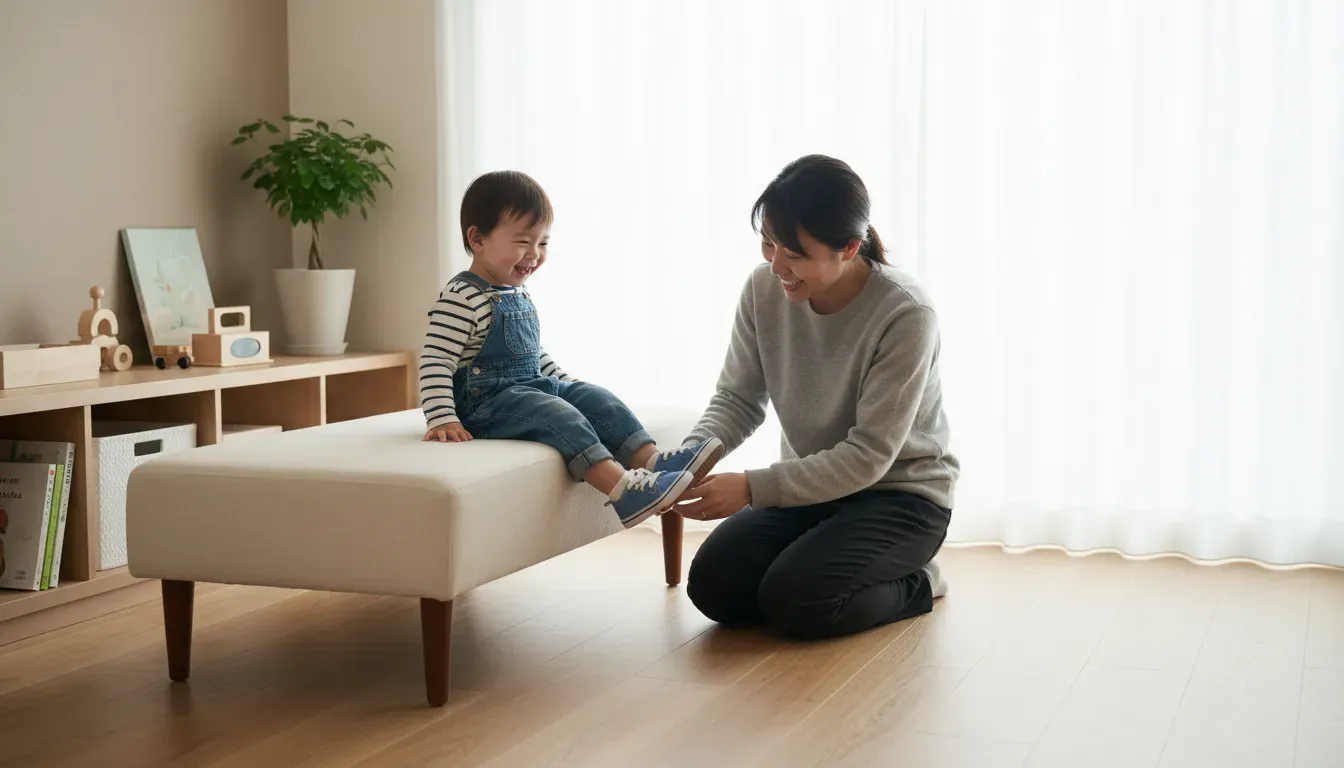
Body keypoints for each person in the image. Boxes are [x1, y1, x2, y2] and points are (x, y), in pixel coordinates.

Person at [673, 154, 959, 640]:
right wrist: (686, 461)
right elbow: (738, 399)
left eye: (794, 253)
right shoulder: (763, 290)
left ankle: (917, 580)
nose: (776, 265)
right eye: (768, 244)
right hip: (814, 489)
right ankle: (823, 565)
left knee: (798, 600)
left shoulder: (906, 313)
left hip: (901, 497)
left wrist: (749, 487)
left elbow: (868, 456)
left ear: (848, 247)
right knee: (713, 588)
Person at [419, 170, 725, 528]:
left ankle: (655, 461)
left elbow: (533, 354)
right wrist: (443, 417)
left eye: (543, 243)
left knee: (593, 398)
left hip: (525, 390)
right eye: (523, 241)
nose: (534, 254)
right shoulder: (461, 297)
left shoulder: (516, 293)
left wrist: (566, 385)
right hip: (484, 404)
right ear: (478, 238)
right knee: (555, 413)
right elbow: (436, 359)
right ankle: (623, 490)